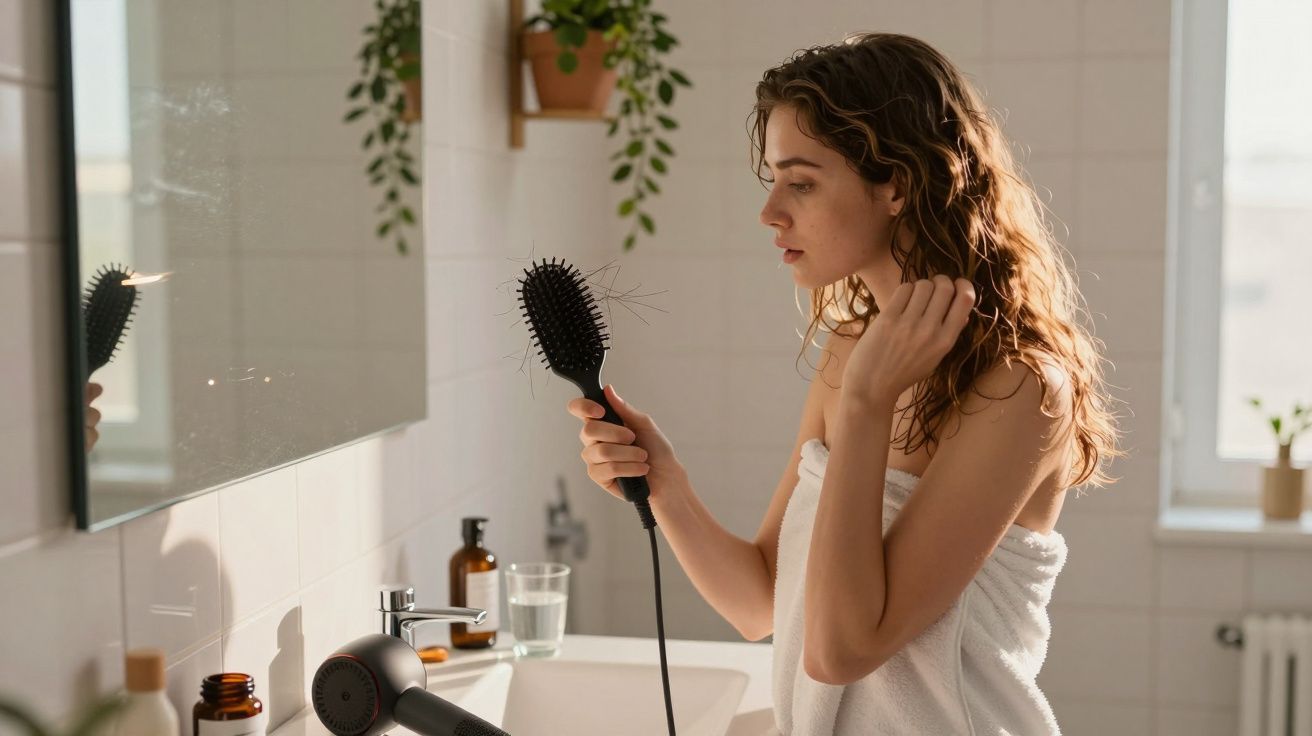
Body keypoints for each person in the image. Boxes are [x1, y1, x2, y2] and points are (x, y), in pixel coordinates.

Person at [568, 32, 1122, 735]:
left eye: (802, 182)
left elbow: (841, 651)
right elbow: (763, 602)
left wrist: (866, 402)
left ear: (899, 184)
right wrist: (668, 484)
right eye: (773, 180)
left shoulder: (1017, 386)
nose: (770, 213)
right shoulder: (852, 351)